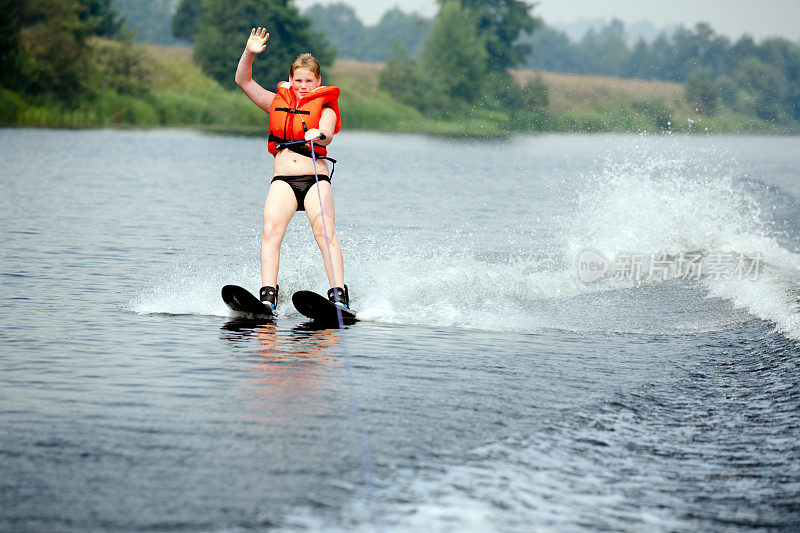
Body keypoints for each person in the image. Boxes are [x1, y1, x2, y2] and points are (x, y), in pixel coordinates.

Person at [234, 27, 349, 311]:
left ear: (318, 81)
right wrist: (249, 52)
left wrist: (318, 135)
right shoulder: (276, 102)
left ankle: (339, 296)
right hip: (283, 181)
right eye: (298, 80)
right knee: (271, 231)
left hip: (315, 179)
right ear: (290, 80)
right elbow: (243, 80)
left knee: (325, 232)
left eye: (309, 81)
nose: (303, 86)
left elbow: (328, 132)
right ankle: (267, 298)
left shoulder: (325, 109)